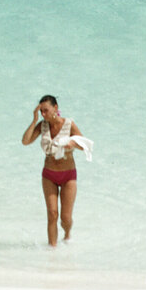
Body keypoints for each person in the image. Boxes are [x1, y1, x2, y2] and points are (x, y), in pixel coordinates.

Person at [21, 95, 92, 247]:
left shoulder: (69, 124)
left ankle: (67, 235)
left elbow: (84, 144)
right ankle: (52, 250)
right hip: (49, 174)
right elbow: (25, 141)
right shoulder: (42, 125)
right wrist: (34, 120)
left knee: (65, 218)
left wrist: (72, 144)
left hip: (68, 175)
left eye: (46, 110)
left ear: (55, 108)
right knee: (52, 214)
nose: (43, 114)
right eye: (41, 111)